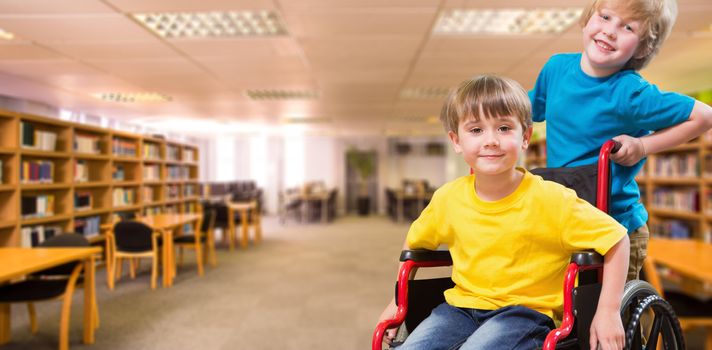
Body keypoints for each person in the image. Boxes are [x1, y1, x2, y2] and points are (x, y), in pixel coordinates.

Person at [378, 75, 630, 350]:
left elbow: (617, 239)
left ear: (525, 137)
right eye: (476, 130)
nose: (491, 141)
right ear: (456, 141)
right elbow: (413, 245)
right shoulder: (448, 199)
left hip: (524, 314)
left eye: (504, 128)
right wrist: (397, 302)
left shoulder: (552, 199)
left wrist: (608, 310)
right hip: (460, 308)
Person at [529, 0, 712, 281]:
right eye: (605, 17)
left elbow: (704, 116)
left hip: (616, 227)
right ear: (588, 19)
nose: (610, 31)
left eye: (628, 27)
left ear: (642, 47)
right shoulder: (556, 69)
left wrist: (642, 146)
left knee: (607, 315)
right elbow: (525, 112)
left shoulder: (631, 93)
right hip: (567, 218)